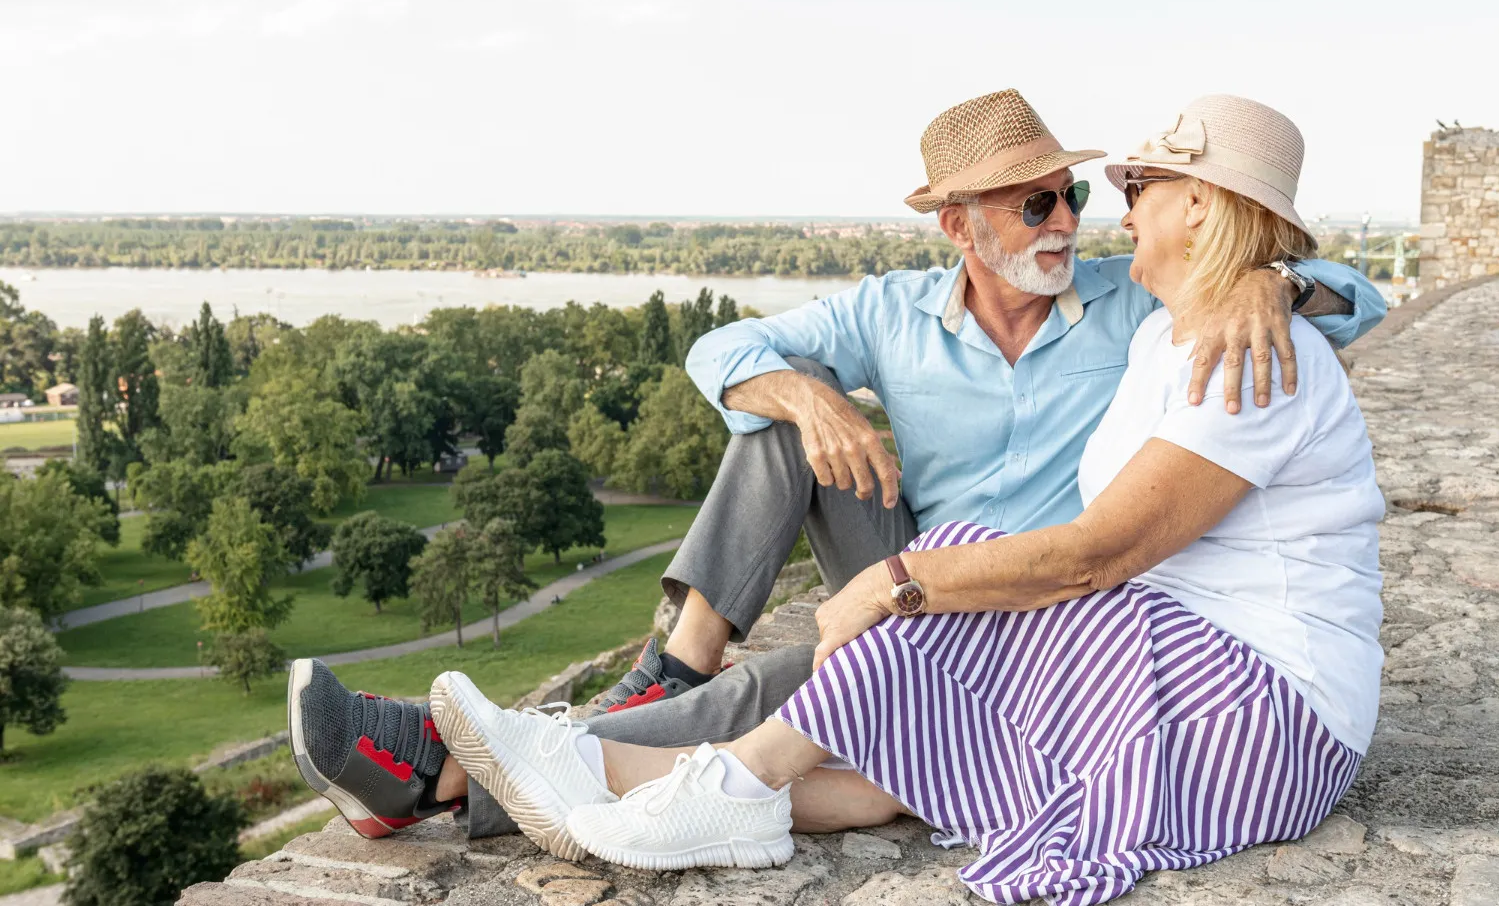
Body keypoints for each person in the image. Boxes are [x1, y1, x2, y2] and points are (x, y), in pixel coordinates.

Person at [284, 89, 1384, 842]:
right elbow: (721, 352)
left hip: (1042, 591)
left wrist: (1274, 286)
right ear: (959, 224)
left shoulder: (1138, 299)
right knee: (771, 423)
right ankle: (676, 664)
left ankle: (451, 770)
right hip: (938, 558)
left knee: (800, 682)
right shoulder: (891, 313)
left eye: (1077, 196)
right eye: (1035, 203)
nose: (1067, 221)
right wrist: (815, 397)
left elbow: (1351, 294)